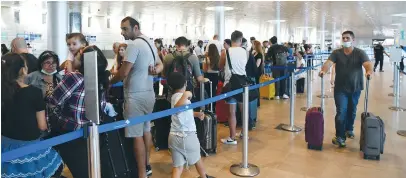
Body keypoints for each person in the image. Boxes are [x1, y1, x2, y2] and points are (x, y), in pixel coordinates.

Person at [110, 16, 163, 178]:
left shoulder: (133, 45)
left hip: (135, 96)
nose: (122, 32)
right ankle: (147, 166)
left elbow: (124, 72)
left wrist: (109, 83)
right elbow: (160, 65)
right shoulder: (149, 42)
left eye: (125, 29)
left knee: (136, 135)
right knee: (146, 129)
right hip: (149, 94)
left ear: (136, 27)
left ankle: (141, 174)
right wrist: (155, 71)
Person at [47, 45, 109, 178]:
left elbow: (53, 101)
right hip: (93, 132)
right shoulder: (101, 78)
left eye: (77, 55)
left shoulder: (75, 77)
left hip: (70, 132)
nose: (73, 57)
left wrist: (58, 119)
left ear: (83, 61)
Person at [1, 54, 63, 178]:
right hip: (29, 145)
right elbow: (42, 126)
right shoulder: (33, 92)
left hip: (5, 144)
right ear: (22, 70)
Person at [319, 31, 373, 147]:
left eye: (347, 38)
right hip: (340, 88)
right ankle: (340, 136)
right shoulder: (337, 53)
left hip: (355, 87)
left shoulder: (360, 53)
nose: (345, 40)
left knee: (352, 110)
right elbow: (328, 63)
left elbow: (367, 64)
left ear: (353, 40)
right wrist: (324, 70)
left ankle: (349, 128)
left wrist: (368, 71)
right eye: (343, 38)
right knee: (341, 112)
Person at [166, 72, 214, 178]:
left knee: (178, 167)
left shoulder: (174, 97)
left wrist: (196, 114)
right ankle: (203, 177)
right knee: (198, 160)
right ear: (185, 83)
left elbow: (180, 112)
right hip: (187, 136)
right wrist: (187, 94)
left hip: (174, 136)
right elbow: (177, 108)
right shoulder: (183, 97)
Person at [218, 30, 248, 145]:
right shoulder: (246, 52)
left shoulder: (225, 52)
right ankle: (244, 133)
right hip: (242, 84)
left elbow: (220, 66)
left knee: (232, 113)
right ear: (241, 40)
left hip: (230, 84)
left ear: (231, 40)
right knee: (243, 110)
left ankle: (232, 137)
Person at [163, 36, 205, 103]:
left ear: (176, 45)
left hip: (172, 90)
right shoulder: (193, 58)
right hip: (188, 90)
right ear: (187, 45)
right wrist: (205, 79)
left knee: (172, 109)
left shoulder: (168, 57)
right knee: (187, 109)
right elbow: (199, 78)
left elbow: (164, 75)